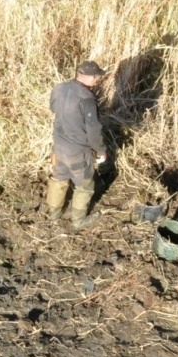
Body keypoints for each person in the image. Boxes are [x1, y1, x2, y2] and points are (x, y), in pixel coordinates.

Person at [45, 60, 107, 230]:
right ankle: (78, 221)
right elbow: (94, 129)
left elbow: (53, 108)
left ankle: (53, 215)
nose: (97, 81)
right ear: (89, 77)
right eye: (96, 77)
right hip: (78, 151)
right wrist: (101, 150)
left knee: (59, 178)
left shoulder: (59, 88)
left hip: (58, 146)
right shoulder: (87, 98)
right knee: (85, 185)